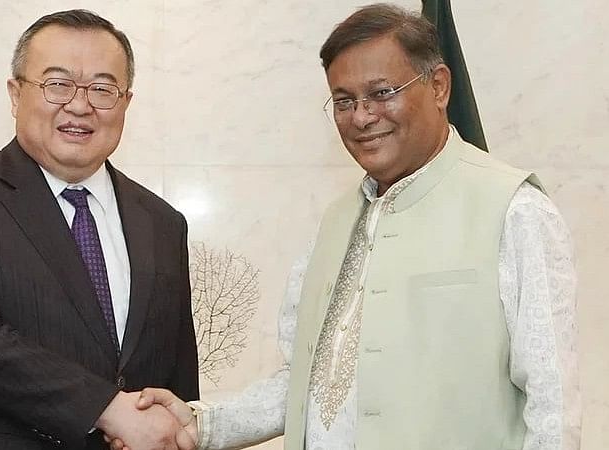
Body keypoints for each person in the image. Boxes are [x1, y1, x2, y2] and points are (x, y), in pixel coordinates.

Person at [119, 3, 580, 450]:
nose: (361, 117)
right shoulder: (335, 224)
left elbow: (552, 405)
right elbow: (302, 382)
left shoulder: (515, 210)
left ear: (439, 87)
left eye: (382, 93)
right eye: (344, 101)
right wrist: (203, 426)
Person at [0, 10, 199, 450]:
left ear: (125, 103)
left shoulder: (162, 222)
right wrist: (109, 410)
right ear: (15, 93)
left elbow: (176, 375)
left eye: (102, 88)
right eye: (57, 84)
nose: (79, 105)